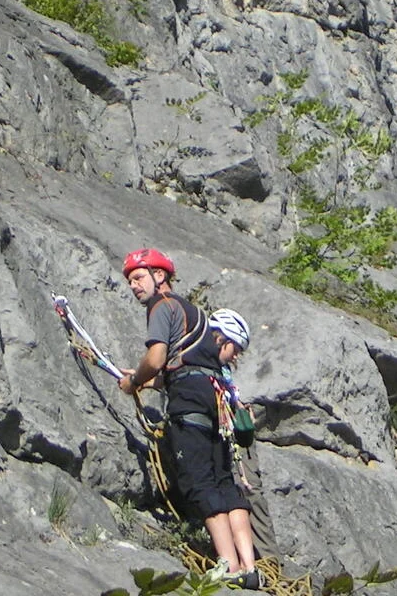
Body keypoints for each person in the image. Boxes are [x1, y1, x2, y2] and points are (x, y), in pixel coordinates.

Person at [116, 248, 259, 589]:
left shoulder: (162, 307)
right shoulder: (195, 315)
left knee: (200, 481)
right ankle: (248, 565)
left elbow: (158, 355)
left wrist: (135, 380)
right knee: (225, 481)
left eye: (139, 277)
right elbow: (185, 365)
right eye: (131, 281)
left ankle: (227, 565)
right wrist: (147, 380)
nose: (135, 286)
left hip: (190, 402)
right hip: (214, 401)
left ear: (159, 276)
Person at [208, 309, 279, 563]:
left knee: (250, 491)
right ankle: (252, 558)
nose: (237, 355)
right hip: (222, 434)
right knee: (242, 492)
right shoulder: (205, 365)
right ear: (220, 339)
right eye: (235, 348)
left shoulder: (221, 369)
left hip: (232, 434)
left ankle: (268, 560)